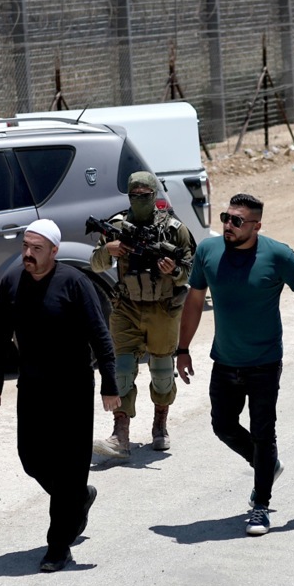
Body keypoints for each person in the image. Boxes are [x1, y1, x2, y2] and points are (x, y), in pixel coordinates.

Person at [176, 193, 294, 536]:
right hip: (225, 359)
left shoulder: (278, 255)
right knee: (222, 425)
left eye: (237, 221)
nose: (228, 225)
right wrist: (183, 348)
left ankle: (260, 505)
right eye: (226, 218)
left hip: (264, 362)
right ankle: (266, 465)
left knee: (264, 432)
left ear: (256, 226)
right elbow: (194, 301)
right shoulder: (208, 251)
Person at [0, 219, 120, 573]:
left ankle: (58, 547)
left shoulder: (74, 283)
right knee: (32, 459)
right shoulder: (12, 281)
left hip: (73, 388)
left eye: (36, 248)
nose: (28, 254)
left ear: (54, 251)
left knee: (70, 467)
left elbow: (100, 335)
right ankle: (79, 498)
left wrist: (109, 384)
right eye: (25, 246)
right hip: (33, 386)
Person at [90, 171, 194, 458]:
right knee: (122, 369)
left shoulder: (174, 230)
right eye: (134, 195)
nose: (139, 200)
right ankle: (120, 435)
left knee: (162, 371)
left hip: (162, 308)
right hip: (127, 307)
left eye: (145, 195)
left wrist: (173, 270)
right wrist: (108, 250)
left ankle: (160, 424)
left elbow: (191, 271)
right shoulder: (117, 226)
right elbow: (96, 264)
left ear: (154, 195)